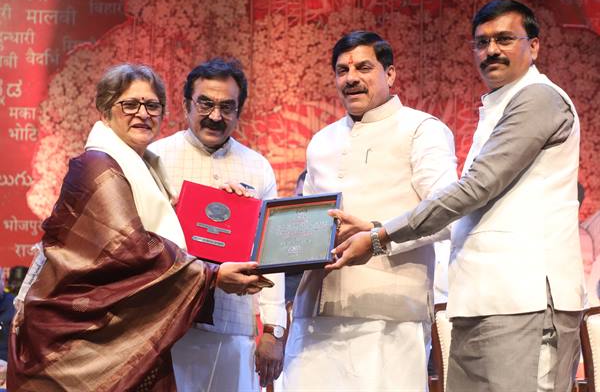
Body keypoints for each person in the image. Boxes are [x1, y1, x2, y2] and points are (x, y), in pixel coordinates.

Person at [330, 0, 584, 392]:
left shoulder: (539, 98)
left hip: (526, 300)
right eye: (482, 42)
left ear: (533, 46)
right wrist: (380, 230)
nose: (491, 50)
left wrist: (381, 236)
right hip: (480, 300)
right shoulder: (499, 105)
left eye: (504, 39)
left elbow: (476, 188)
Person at [7, 64, 264, 391]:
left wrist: (224, 208)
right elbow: (131, 248)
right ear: (105, 110)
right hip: (82, 339)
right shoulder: (97, 167)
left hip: (121, 331)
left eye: (152, 105)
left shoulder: (147, 168)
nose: (142, 113)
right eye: (129, 104)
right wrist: (210, 276)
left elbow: (163, 233)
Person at [282, 31, 457, 391]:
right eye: (342, 70)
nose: (351, 78)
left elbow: (447, 214)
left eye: (363, 67)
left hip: (389, 314)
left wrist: (377, 235)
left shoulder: (421, 129)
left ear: (390, 74)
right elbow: (307, 223)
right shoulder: (322, 141)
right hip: (315, 316)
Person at [148, 58, 286, 391]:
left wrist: (273, 330)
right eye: (205, 103)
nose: (215, 115)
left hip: (233, 325)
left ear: (239, 111)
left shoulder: (258, 167)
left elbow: (271, 252)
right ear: (186, 105)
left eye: (227, 107)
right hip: (167, 322)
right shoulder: (156, 157)